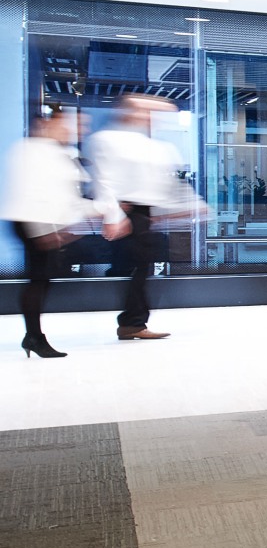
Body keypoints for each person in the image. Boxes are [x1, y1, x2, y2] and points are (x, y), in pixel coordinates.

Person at [87, 96, 193, 341]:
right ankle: (131, 323)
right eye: (142, 112)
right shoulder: (107, 140)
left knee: (141, 268)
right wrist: (115, 215)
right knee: (135, 268)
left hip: (142, 212)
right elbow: (104, 180)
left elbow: (163, 182)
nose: (148, 117)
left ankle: (133, 322)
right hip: (127, 211)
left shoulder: (148, 145)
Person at [2, 108, 102, 358]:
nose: (78, 130)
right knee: (39, 280)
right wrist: (45, 231)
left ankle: (33, 336)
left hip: (43, 223)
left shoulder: (58, 153)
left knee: (42, 280)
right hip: (32, 222)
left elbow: (67, 196)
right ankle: (34, 337)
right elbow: (31, 194)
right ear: (49, 123)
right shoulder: (32, 151)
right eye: (71, 125)